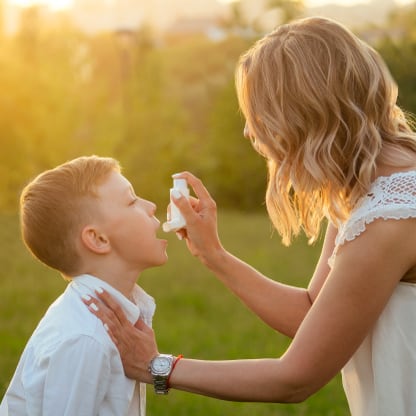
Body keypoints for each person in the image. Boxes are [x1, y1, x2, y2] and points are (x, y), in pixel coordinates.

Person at [83, 17, 416, 416]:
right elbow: (313, 314)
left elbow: (297, 377)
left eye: (260, 114)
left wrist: (157, 367)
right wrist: (215, 256)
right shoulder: (365, 183)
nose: (247, 131)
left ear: (305, 114)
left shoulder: (390, 217)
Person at [0, 155, 168, 415]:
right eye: (132, 200)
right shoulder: (85, 340)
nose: (152, 206)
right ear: (98, 239)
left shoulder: (113, 320)